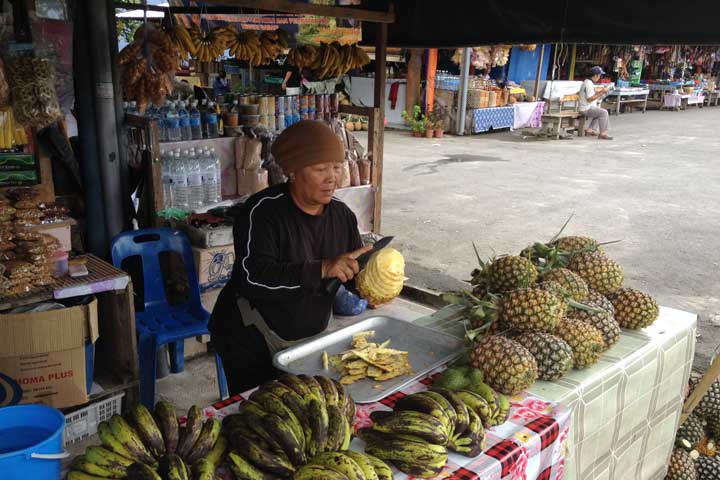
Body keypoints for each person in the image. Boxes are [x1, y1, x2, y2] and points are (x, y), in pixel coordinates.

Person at [209, 120, 370, 394]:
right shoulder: (261, 213)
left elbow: (349, 273)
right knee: (264, 417)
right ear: (293, 171)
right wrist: (322, 269)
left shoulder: (342, 217)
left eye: (336, 167)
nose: (332, 177)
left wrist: (371, 278)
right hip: (251, 338)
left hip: (309, 338)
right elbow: (253, 278)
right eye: (320, 169)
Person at [579, 66, 612, 140]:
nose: (599, 77)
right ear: (596, 75)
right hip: (585, 108)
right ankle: (603, 133)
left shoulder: (588, 82)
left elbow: (591, 96)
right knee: (604, 112)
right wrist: (602, 92)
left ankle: (590, 130)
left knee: (599, 112)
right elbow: (590, 99)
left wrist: (600, 92)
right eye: (599, 75)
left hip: (587, 107)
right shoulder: (588, 83)